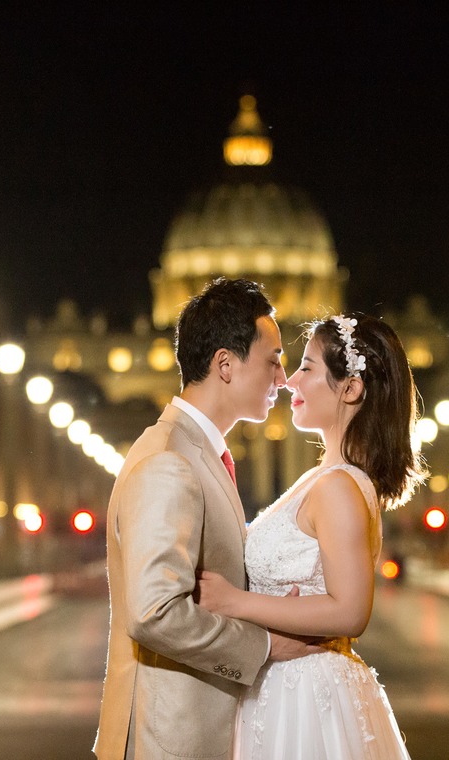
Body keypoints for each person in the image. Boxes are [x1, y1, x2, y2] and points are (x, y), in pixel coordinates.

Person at [94, 278, 319, 760]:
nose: (283, 378)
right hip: (174, 741)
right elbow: (154, 613)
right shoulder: (169, 462)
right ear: (225, 364)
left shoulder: (192, 453)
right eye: (273, 359)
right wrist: (264, 646)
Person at [198, 312, 425, 759]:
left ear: (351, 388)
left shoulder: (339, 486)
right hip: (284, 689)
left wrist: (234, 601)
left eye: (306, 368)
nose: (288, 382)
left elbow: (350, 610)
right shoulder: (323, 477)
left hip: (306, 698)